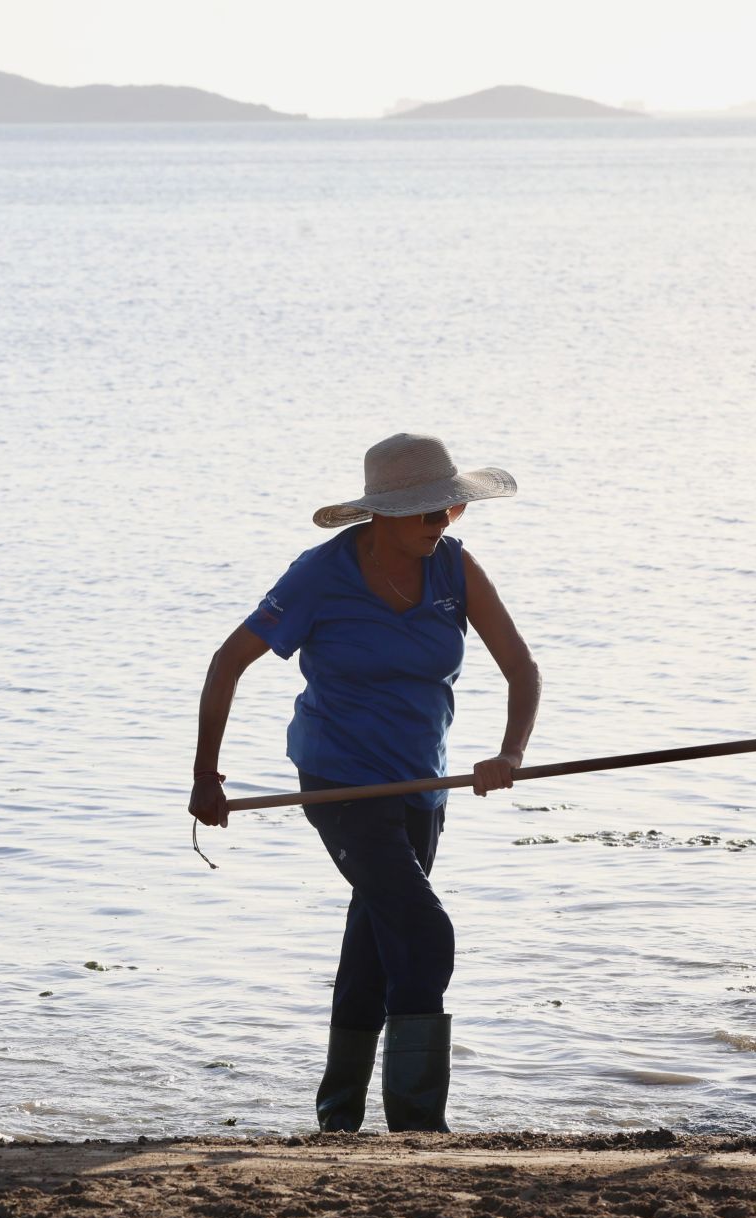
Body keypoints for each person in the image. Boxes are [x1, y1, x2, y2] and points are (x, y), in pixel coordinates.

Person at [189, 433, 540, 1133]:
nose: (440, 524)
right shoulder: (318, 577)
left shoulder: (457, 572)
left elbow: (522, 670)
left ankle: (338, 1120)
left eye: (447, 509)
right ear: (379, 515)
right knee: (423, 927)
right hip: (338, 778)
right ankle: (417, 1124)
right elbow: (228, 661)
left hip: (422, 780)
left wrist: (509, 753)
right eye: (424, 513)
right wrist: (206, 774)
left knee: (377, 943)